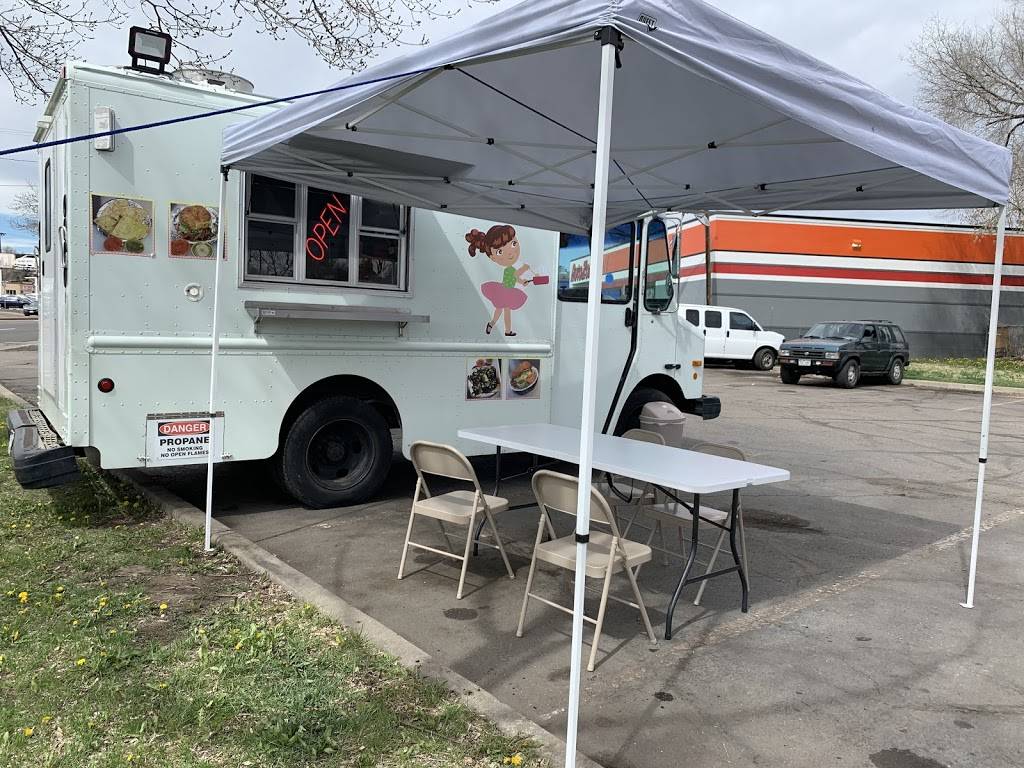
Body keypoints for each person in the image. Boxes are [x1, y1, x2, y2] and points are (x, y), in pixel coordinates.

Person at [466, 224, 532, 336]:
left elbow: (515, 278)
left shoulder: (509, 269)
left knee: (499, 310)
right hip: (506, 292)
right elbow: (516, 275)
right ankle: (506, 330)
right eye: (500, 252)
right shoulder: (510, 269)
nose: (510, 252)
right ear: (492, 257)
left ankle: (492, 324)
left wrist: (523, 281)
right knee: (505, 311)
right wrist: (524, 270)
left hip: (503, 291)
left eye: (513, 244)